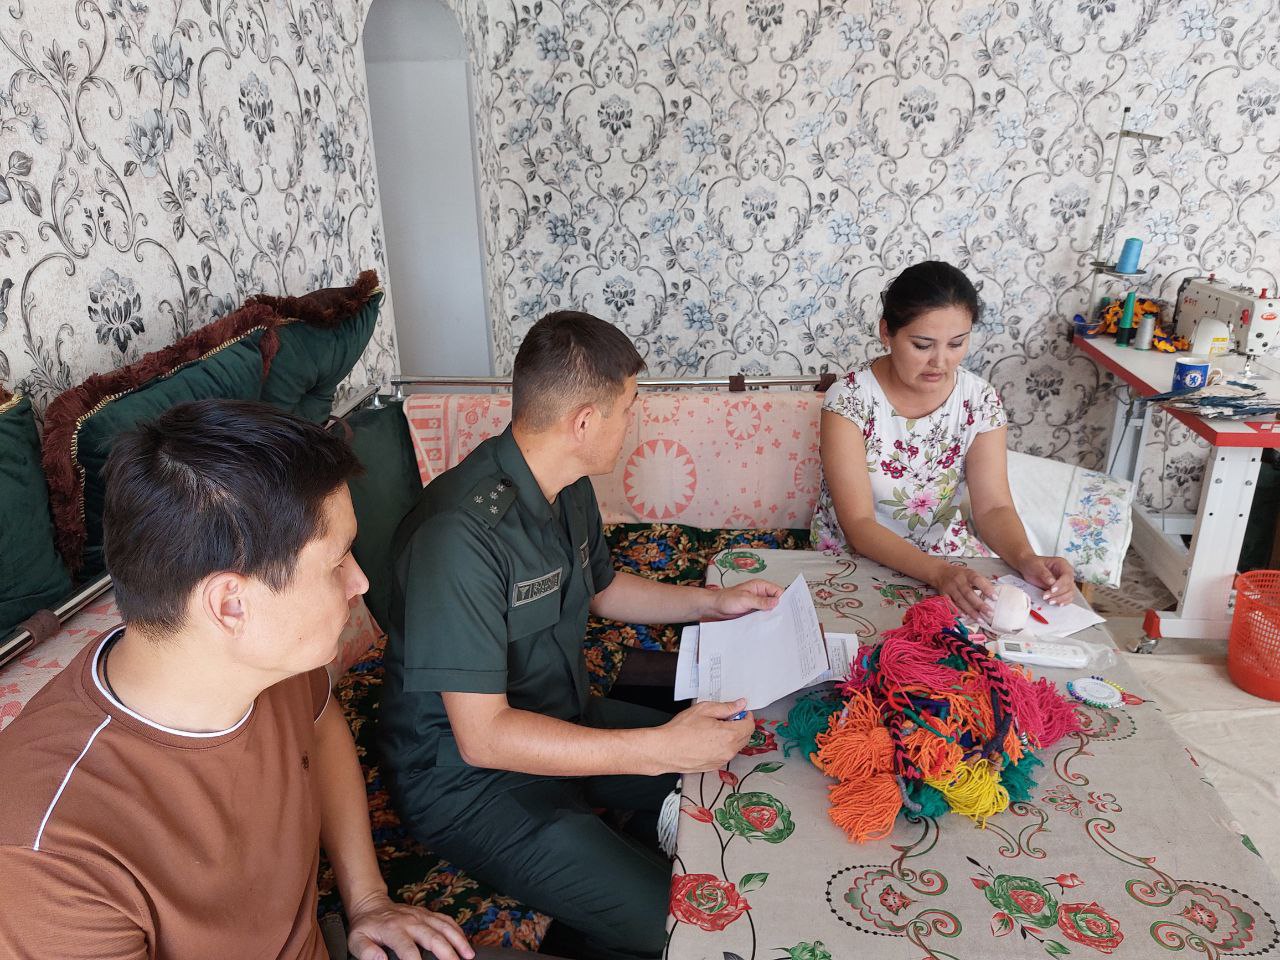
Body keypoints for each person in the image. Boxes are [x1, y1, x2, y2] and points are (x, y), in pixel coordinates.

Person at [0, 400, 473, 960]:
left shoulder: (271, 661)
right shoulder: (50, 859)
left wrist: (368, 899)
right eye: (338, 562)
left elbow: (320, 723)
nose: (360, 582)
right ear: (231, 605)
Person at [379, 310, 782, 959]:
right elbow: (483, 737)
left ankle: (647, 824)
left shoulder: (566, 487)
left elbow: (602, 589)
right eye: (628, 410)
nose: (632, 423)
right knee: (680, 921)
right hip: (469, 784)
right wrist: (658, 749)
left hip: (561, 716)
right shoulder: (458, 537)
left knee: (743, 768)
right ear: (585, 422)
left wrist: (714, 603)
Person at [811, 260, 1074, 621]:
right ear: (886, 332)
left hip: (944, 556)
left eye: (956, 343)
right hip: (855, 558)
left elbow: (993, 508)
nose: (940, 361)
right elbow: (858, 525)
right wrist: (938, 573)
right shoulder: (849, 400)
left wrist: (1027, 558)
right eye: (922, 345)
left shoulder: (979, 400)